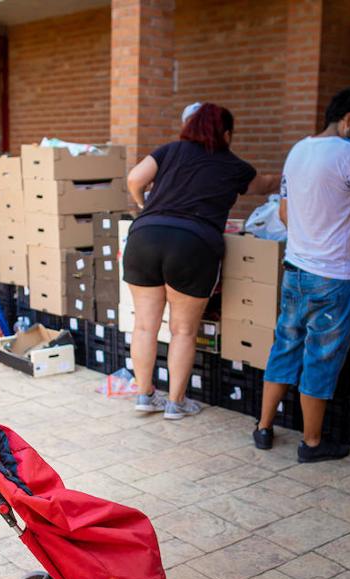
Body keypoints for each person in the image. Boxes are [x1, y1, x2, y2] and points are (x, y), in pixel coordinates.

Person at [254, 87, 350, 462]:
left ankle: (264, 427)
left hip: (295, 270)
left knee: (285, 345)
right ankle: (312, 443)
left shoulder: (298, 150)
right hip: (333, 277)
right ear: (348, 120)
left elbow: (284, 213)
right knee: (320, 357)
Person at [124, 103, 280, 419]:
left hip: (144, 236)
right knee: (182, 331)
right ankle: (175, 403)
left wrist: (144, 205)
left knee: (144, 326)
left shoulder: (169, 151)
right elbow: (262, 185)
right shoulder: (232, 165)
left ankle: (144, 395)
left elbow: (134, 178)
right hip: (192, 243)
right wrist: (291, 176)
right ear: (225, 134)